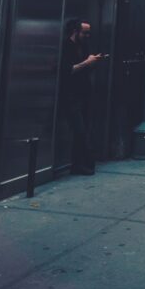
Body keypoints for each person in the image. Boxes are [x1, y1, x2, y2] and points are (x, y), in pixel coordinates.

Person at [59, 19, 102, 176]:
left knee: (84, 129)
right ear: (75, 31)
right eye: (85, 33)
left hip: (84, 92)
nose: (87, 36)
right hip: (71, 95)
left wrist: (93, 61)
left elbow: (84, 68)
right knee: (79, 130)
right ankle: (78, 164)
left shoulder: (83, 46)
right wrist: (87, 62)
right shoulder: (66, 47)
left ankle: (80, 163)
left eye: (89, 33)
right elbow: (67, 70)